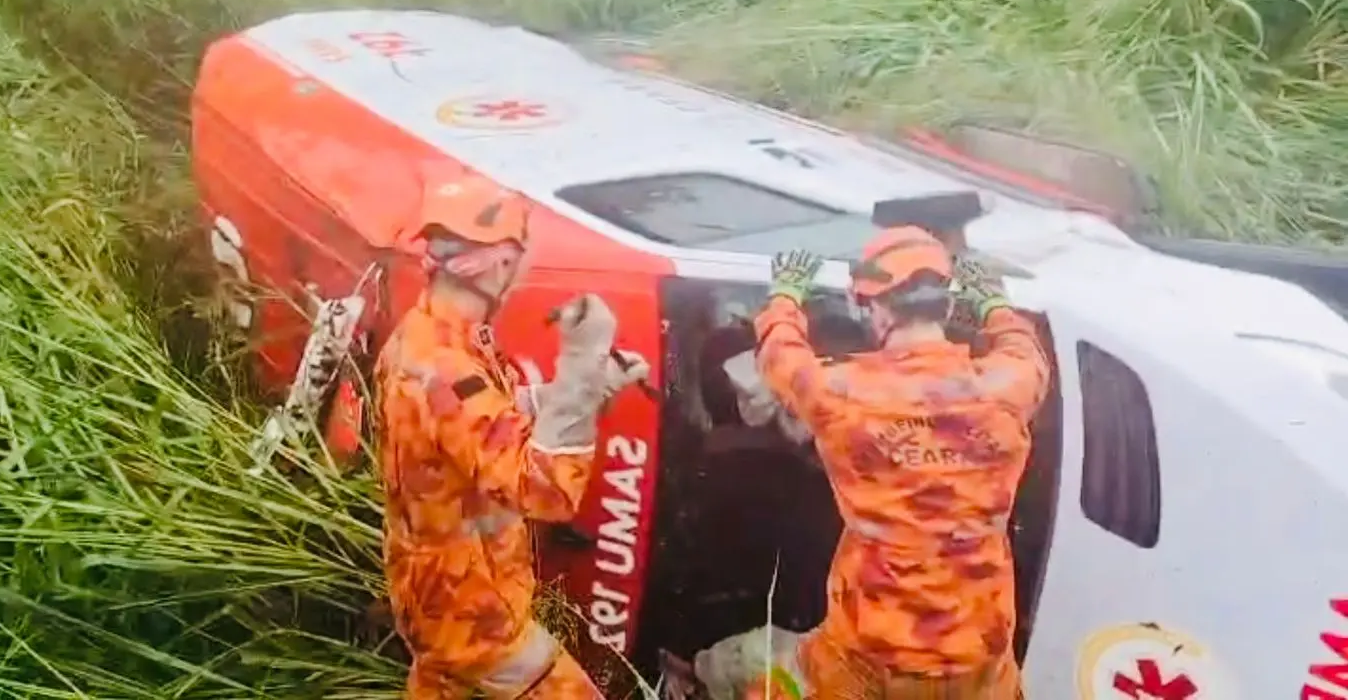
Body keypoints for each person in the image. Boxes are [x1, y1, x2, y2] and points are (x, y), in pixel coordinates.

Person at [695, 226, 1051, 700]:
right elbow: (1026, 350)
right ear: (946, 308)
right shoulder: (1009, 385)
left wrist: (784, 295)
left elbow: (780, 359)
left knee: (740, 671)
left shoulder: (842, 392)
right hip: (980, 655)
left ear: (876, 310)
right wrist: (994, 304)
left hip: (869, 655)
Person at [375, 170, 649, 700]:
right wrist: (579, 363)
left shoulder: (429, 338)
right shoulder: (444, 367)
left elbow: (483, 425)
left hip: (440, 602)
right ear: (501, 260)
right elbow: (545, 490)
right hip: (474, 618)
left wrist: (590, 388)